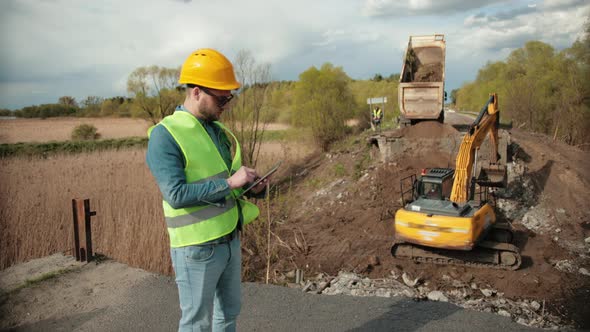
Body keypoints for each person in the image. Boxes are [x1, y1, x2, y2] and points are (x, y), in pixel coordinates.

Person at [146, 48, 268, 332]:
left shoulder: (216, 130)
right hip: (196, 250)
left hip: (229, 241)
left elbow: (229, 185)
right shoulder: (165, 136)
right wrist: (229, 183)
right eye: (221, 97)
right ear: (197, 92)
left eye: (230, 97)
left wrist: (253, 188)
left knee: (227, 316)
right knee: (196, 324)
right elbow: (175, 195)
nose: (227, 103)